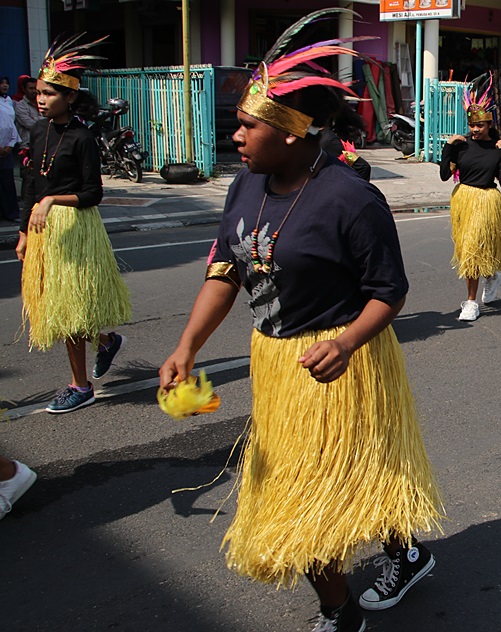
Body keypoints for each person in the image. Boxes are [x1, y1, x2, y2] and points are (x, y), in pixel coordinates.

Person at [157, 11, 443, 632]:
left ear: (290, 133)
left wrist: (346, 342)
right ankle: (396, 561)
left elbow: (388, 292)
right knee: (322, 481)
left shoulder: (350, 199)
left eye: (247, 124)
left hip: (343, 365)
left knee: (354, 473)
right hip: (278, 364)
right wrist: (187, 347)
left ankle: (342, 610)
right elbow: (225, 272)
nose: (235, 135)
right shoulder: (244, 186)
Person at [17, 35, 131, 412]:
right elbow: (32, 182)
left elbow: (93, 193)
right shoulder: (38, 131)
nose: (40, 98)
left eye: (49, 93)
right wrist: (22, 231)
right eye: (39, 92)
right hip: (42, 227)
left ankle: (80, 387)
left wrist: (52, 200)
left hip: (75, 227)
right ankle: (105, 342)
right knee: (67, 311)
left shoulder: (82, 137)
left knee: (69, 312)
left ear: (69, 97)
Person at [439, 73, 501, 322]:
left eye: (480, 125)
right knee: (469, 250)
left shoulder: (496, 147)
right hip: (463, 200)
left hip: (487, 201)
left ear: (489, 124)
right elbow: (445, 175)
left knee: (473, 251)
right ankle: (492, 277)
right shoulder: (461, 145)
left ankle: (471, 303)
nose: (475, 129)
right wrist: (448, 147)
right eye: (472, 125)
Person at [0, 100, 18, 221]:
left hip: (6, 155)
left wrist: (8, 148)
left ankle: (11, 214)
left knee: (8, 186)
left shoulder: (4, 115)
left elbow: (14, 133)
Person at [14, 76, 42, 144]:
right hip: (28, 145)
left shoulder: (43, 103)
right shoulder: (20, 106)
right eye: (30, 88)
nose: (34, 91)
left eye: (35, 88)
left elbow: (51, 120)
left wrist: (35, 118)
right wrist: (43, 120)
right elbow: (30, 124)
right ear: (24, 89)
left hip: (43, 142)